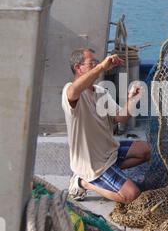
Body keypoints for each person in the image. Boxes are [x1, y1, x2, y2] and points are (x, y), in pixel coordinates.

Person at [62, 48, 151, 204]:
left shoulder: (101, 91)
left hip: (110, 151)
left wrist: (132, 99)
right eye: (92, 63)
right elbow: (73, 91)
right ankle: (83, 182)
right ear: (78, 67)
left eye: (97, 62)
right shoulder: (71, 91)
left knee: (147, 151)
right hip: (92, 165)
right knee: (132, 195)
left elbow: (121, 117)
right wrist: (102, 67)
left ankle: (111, 174)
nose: (97, 64)